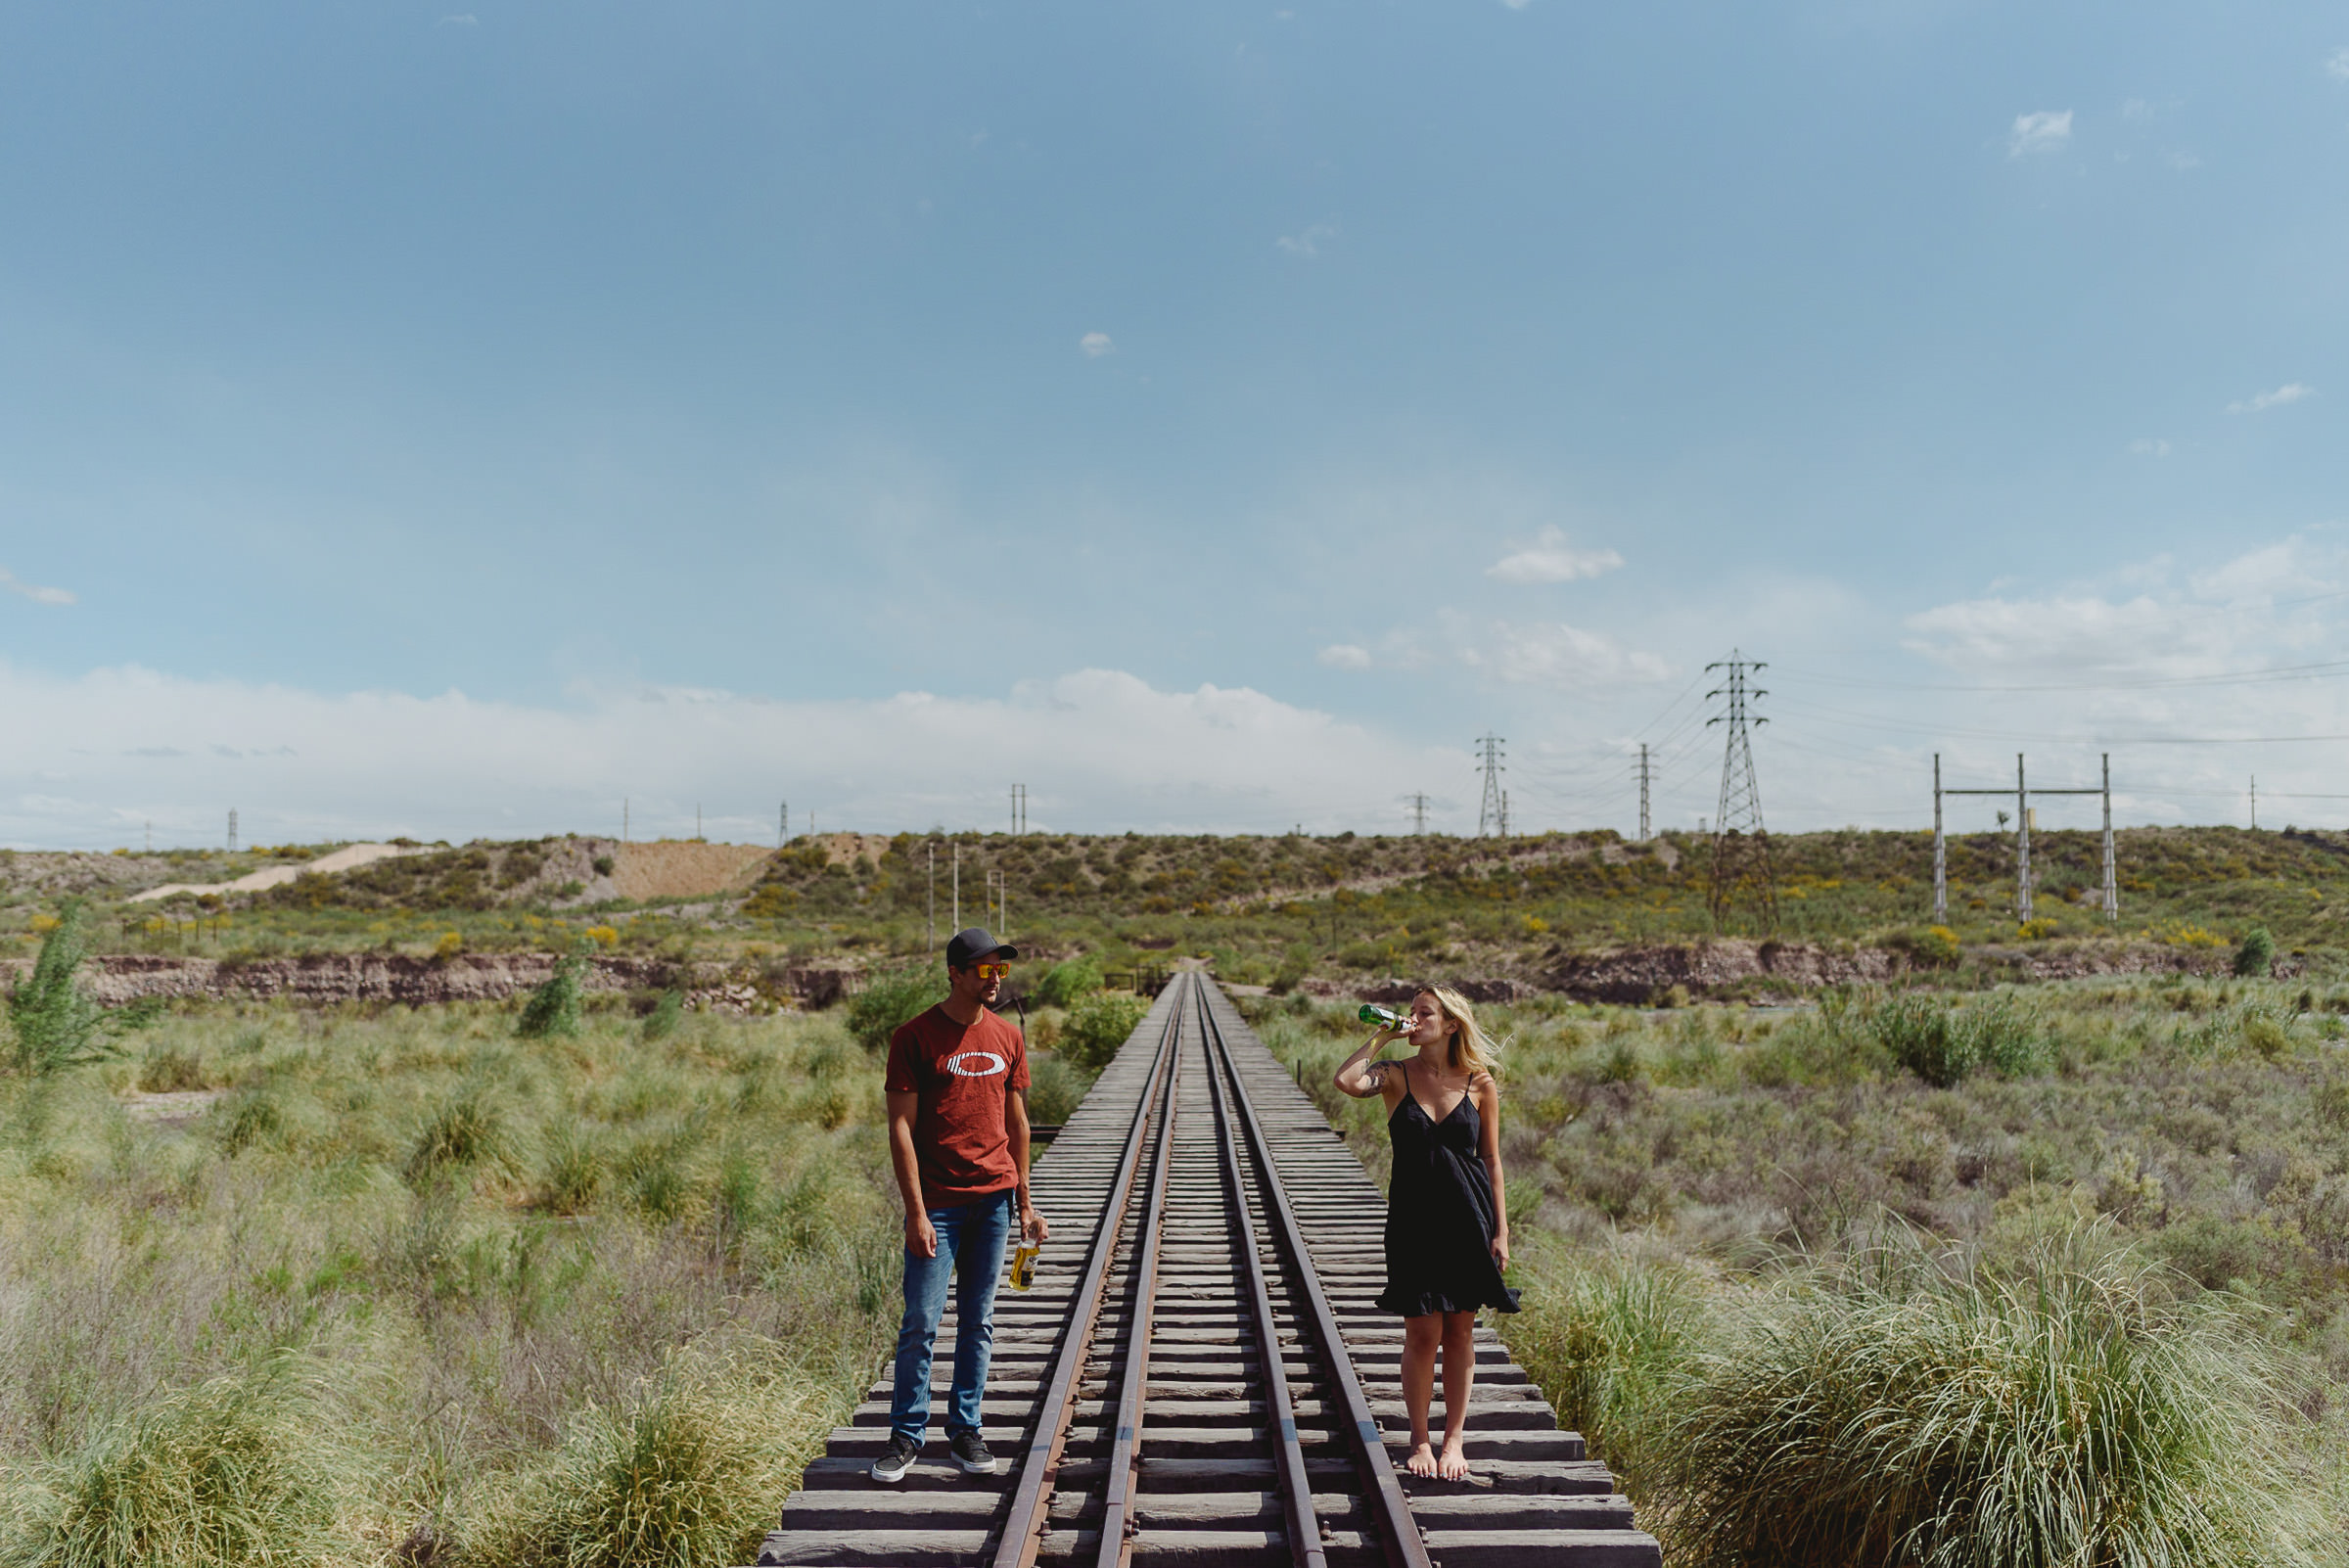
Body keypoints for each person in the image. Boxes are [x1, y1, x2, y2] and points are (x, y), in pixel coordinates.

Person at [869, 927, 1050, 1484]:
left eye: (1001, 970)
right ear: (954, 973)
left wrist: (1025, 1202)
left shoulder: (1007, 1037)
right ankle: (906, 1435)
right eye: (983, 970)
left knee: (979, 1321)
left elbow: (1017, 1123)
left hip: (994, 1202)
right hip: (940, 1206)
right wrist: (915, 1211)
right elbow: (901, 1128)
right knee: (921, 1322)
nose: (994, 979)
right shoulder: (915, 1037)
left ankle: (966, 1429)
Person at [1333, 985, 1517, 1482]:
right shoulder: (1395, 1075)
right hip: (1413, 1220)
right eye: (1410, 1011)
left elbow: (1492, 1161)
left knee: (1459, 1332)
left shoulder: (1480, 1083)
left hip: (1468, 1218)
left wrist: (1501, 1230)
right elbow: (1346, 1081)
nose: (1414, 1019)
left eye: (1424, 1013)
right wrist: (1382, 1035)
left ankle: (1453, 1440)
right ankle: (1419, 1439)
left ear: (1451, 1023)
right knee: (1421, 1333)